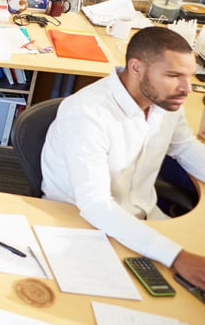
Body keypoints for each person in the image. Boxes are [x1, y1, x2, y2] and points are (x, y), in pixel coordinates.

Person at [41, 27, 205, 289]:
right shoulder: (87, 114)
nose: (186, 89)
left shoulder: (166, 100)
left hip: (146, 221)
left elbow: (185, 147)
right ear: (136, 67)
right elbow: (96, 205)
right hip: (84, 227)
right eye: (173, 75)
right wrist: (177, 257)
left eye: (189, 76)